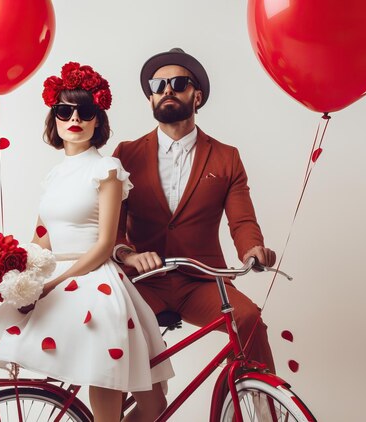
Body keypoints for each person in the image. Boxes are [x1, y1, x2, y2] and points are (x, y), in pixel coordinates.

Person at [0, 62, 173, 422]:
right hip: (61, 280)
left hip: (96, 280)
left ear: (97, 119)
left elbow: (102, 246)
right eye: (64, 110)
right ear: (54, 119)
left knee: (152, 405)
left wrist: (52, 284)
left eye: (86, 111)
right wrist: (10, 271)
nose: (75, 118)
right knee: (108, 386)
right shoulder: (53, 175)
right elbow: (41, 240)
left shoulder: (107, 169)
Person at [112, 47, 277, 397]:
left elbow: (242, 219)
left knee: (248, 320)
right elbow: (111, 225)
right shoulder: (125, 154)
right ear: (150, 97)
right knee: (111, 334)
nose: (167, 90)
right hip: (144, 281)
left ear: (196, 95)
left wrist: (252, 249)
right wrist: (126, 254)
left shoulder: (226, 157)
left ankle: (265, 409)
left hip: (200, 280)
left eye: (178, 82)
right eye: (158, 85)